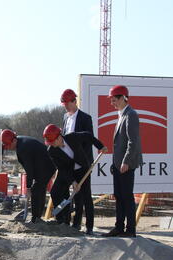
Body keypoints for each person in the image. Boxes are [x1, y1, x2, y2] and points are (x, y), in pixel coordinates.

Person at [43, 124, 107, 234]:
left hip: (83, 169)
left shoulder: (72, 137)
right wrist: (73, 182)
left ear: (59, 137)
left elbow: (88, 136)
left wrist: (100, 146)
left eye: (53, 142)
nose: (52, 144)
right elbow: (62, 169)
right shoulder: (52, 151)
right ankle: (63, 221)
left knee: (86, 196)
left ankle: (89, 227)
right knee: (56, 191)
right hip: (68, 171)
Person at [103, 85, 143, 238]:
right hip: (118, 165)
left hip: (126, 165)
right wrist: (115, 163)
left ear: (122, 98)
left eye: (114, 99)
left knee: (126, 195)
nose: (112, 103)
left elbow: (133, 142)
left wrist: (126, 162)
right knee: (118, 195)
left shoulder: (131, 114)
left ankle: (130, 229)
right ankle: (119, 227)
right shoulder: (121, 114)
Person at [0, 129, 56, 223]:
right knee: (39, 189)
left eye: (9, 145)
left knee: (36, 190)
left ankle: (35, 218)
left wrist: (28, 187)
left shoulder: (22, 148)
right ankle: (37, 217)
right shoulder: (20, 142)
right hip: (41, 165)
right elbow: (30, 168)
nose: (8, 148)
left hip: (47, 166)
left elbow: (29, 169)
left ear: (14, 140)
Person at [61, 89, 95, 231]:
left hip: (83, 163)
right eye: (64, 104)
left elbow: (89, 139)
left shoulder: (85, 118)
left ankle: (89, 227)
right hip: (69, 162)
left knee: (86, 195)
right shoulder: (65, 118)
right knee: (75, 194)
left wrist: (83, 160)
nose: (66, 107)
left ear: (75, 101)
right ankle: (76, 224)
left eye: (68, 103)